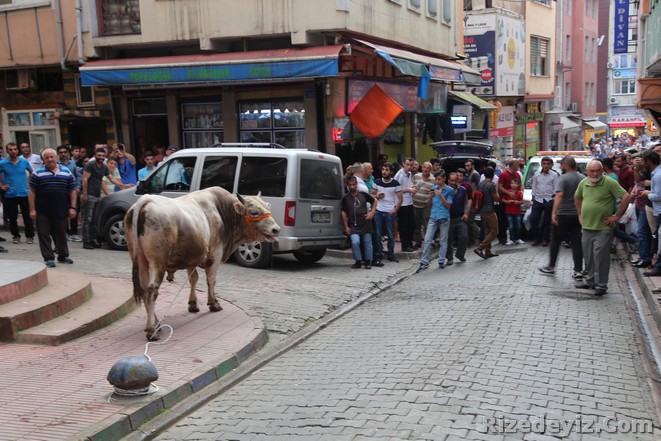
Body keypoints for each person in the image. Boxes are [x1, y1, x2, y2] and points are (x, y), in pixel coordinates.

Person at [574, 160, 631, 295]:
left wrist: (617, 216)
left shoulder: (609, 182)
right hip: (587, 226)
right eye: (592, 171)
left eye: (597, 171)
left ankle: (601, 285)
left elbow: (626, 197)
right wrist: (580, 214)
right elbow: (577, 197)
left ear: (602, 170)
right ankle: (591, 281)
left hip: (603, 227)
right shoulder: (584, 182)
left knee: (601, 257)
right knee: (589, 257)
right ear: (587, 171)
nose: (595, 174)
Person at [28, 148, 77, 268]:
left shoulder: (66, 172)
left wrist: (73, 207)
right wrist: (32, 209)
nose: (50, 159)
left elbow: (72, 190)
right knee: (44, 234)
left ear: (56, 157)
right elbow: (32, 192)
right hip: (42, 210)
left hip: (61, 208)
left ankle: (63, 256)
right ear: (43, 160)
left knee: (61, 234)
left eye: (51, 157)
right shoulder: (37, 173)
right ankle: (48, 258)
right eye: (47, 157)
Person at [539, 155, 585, 278]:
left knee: (555, 240)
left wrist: (554, 212)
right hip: (577, 214)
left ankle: (551, 266)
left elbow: (559, 195)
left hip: (563, 213)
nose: (560, 166)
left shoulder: (563, 178)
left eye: (561, 164)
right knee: (577, 242)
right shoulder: (582, 178)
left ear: (566, 165)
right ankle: (578, 270)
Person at [81, 146, 131, 250]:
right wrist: (85, 194)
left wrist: (124, 185)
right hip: (89, 195)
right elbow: (85, 179)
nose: (101, 157)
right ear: (95, 155)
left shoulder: (104, 167)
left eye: (103, 156)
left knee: (94, 219)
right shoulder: (90, 165)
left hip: (97, 195)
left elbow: (112, 178)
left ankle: (93, 240)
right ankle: (86, 241)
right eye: (99, 155)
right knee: (87, 219)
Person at [416, 170, 453, 273]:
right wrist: (430, 197)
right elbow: (428, 204)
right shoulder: (434, 188)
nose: (437, 181)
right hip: (433, 217)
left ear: (444, 179)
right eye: (436, 179)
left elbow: (448, 205)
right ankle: (424, 262)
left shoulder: (449, 190)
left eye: (439, 179)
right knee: (427, 240)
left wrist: (440, 195)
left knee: (443, 240)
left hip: (444, 217)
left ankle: (441, 261)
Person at [0, 142, 35, 244]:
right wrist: (2, 186)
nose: (13, 151)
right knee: (12, 217)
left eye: (15, 149)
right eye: (10, 150)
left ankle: (30, 236)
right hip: (10, 194)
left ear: (17, 150)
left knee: (27, 216)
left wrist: (30, 183)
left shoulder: (23, 161)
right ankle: (16, 236)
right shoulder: (3, 163)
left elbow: (32, 172)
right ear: (7, 151)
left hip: (24, 193)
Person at [341, 175, 377, 269]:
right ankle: (358, 260)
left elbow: (374, 201)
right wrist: (346, 226)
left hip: (365, 223)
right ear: (347, 185)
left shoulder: (363, 194)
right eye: (350, 185)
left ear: (356, 184)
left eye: (354, 184)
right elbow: (343, 212)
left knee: (367, 242)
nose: (352, 187)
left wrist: (372, 212)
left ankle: (368, 261)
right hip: (353, 224)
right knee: (355, 242)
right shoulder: (346, 198)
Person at [372, 162, 402, 264]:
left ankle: (390, 254)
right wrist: (377, 196)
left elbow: (400, 198)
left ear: (391, 172)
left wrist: (395, 210)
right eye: (383, 169)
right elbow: (372, 194)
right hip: (379, 211)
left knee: (391, 234)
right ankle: (379, 254)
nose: (384, 172)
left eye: (387, 170)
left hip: (390, 212)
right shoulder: (377, 182)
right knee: (378, 234)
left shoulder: (396, 183)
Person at [529, 156, 557, 246]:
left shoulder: (554, 175)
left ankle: (545, 239)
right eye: (544, 164)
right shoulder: (536, 174)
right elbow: (534, 186)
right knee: (533, 218)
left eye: (548, 164)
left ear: (551, 165)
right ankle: (536, 237)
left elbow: (555, 188)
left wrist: (553, 198)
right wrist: (533, 198)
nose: (546, 166)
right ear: (541, 164)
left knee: (547, 220)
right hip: (538, 199)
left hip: (549, 199)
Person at [641, 151, 661, 277]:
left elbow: (658, 196)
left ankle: (658, 266)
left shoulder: (658, 175)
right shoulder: (656, 173)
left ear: (648, 161)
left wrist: (647, 194)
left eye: (644, 161)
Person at [56, 145, 82, 242]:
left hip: (73, 191)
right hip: (61, 191)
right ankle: (65, 232)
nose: (63, 154)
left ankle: (74, 233)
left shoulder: (72, 163)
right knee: (63, 212)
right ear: (58, 154)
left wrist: (78, 187)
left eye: (64, 152)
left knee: (74, 211)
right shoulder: (56, 164)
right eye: (61, 152)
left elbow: (78, 176)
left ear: (67, 153)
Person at [474, 166, 499, 259]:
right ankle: (480, 248)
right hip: (489, 210)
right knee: (495, 230)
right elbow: (496, 198)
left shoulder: (481, 184)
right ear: (493, 175)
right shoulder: (490, 185)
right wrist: (495, 188)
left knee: (488, 230)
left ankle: (488, 251)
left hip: (482, 210)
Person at [445, 172, 469, 265]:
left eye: (455, 181)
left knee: (464, 237)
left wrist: (466, 213)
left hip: (460, 218)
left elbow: (466, 202)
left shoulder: (462, 190)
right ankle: (449, 258)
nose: (453, 183)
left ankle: (460, 254)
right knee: (448, 239)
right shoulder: (444, 191)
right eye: (451, 180)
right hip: (448, 219)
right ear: (448, 180)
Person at [394, 157, 417, 252]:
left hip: (409, 201)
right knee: (403, 225)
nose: (409, 167)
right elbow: (396, 189)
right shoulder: (399, 175)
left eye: (411, 165)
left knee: (411, 224)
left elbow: (408, 185)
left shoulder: (410, 174)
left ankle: (410, 243)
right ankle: (405, 245)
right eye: (407, 164)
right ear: (403, 164)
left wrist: (413, 188)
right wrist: (408, 190)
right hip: (402, 203)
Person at [412, 161, 435, 250]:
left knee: (427, 224)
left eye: (428, 168)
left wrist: (430, 201)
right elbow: (412, 186)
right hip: (415, 204)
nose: (425, 169)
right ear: (422, 168)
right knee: (416, 224)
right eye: (424, 167)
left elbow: (433, 193)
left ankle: (427, 241)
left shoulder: (433, 179)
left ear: (430, 170)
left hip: (426, 205)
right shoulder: (416, 176)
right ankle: (418, 242)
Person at [504, 178, 524, 245]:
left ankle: (517, 238)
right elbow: (502, 199)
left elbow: (523, 201)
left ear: (518, 185)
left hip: (517, 212)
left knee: (518, 226)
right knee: (511, 226)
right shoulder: (508, 192)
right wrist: (507, 201)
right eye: (512, 183)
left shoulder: (520, 193)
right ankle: (511, 239)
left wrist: (518, 202)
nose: (513, 185)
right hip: (509, 211)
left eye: (515, 183)